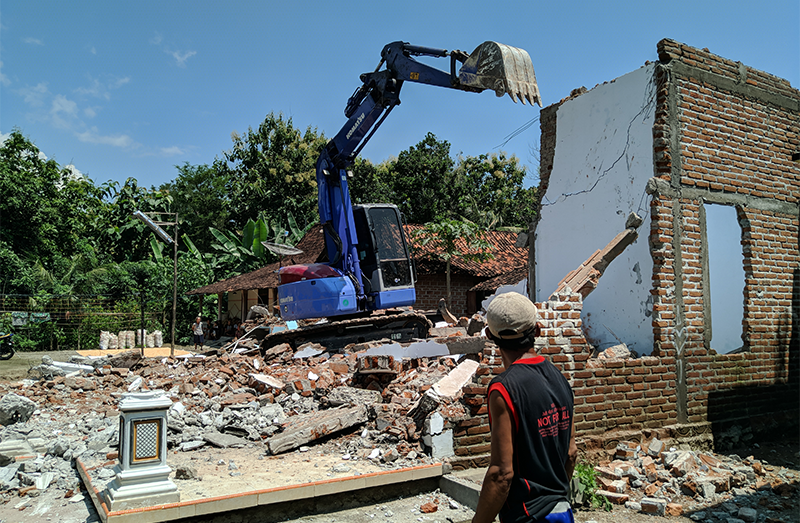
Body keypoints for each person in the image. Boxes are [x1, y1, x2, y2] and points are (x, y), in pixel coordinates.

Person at [472, 292, 577, 523]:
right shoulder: (559, 378)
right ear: (537, 330)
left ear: (490, 335)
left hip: (527, 515)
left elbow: (501, 474)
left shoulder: (503, 389)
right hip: (562, 512)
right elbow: (571, 453)